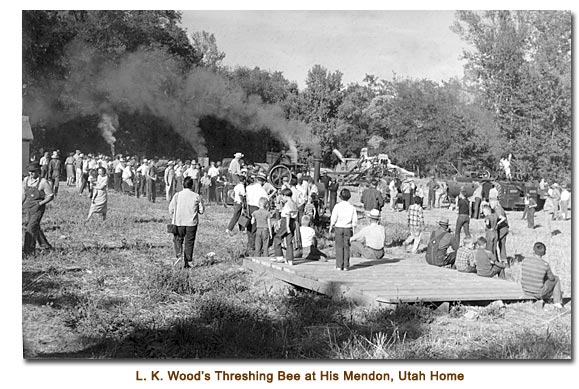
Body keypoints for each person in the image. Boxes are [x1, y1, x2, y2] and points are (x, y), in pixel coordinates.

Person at [169, 176, 205, 269]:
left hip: (179, 222)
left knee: (178, 239)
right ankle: (188, 261)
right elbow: (201, 211)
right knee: (189, 242)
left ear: (182, 185)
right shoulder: (196, 196)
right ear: (192, 185)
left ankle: (178, 255)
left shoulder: (177, 195)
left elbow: (171, 209)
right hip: (191, 223)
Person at [22, 162, 54, 255]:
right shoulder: (26, 180)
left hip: (38, 207)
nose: (31, 174)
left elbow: (50, 196)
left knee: (30, 228)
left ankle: (29, 251)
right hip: (28, 207)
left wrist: (40, 203)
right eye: (30, 171)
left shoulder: (43, 182)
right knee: (33, 226)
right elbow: (23, 194)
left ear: (37, 171)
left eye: (33, 172)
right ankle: (46, 246)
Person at [521, 242, 564, 309]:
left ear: (533, 250)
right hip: (537, 293)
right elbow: (552, 279)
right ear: (544, 252)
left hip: (525, 290)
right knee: (556, 279)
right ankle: (557, 304)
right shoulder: (545, 265)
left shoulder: (525, 260)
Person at [330, 188, 358, 271]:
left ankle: (339, 265)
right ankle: (346, 265)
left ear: (340, 197)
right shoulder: (352, 207)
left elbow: (334, 217)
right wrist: (354, 228)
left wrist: (331, 226)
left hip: (339, 227)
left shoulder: (337, 206)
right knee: (346, 247)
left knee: (339, 247)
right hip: (348, 228)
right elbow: (355, 220)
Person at [273, 188, 298, 265]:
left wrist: (287, 226)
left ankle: (279, 256)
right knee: (289, 241)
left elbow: (287, 215)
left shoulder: (287, 204)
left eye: (282, 196)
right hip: (293, 221)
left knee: (277, 237)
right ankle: (290, 259)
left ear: (285, 196)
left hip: (286, 222)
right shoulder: (294, 203)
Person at [245, 172, 269, 253]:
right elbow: (266, 200)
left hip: (248, 207)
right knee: (255, 228)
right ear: (262, 181)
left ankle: (249, 244)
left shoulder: (249, 187)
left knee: (248, 226)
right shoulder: (262, 190)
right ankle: (254, 246)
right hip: (257, 208)